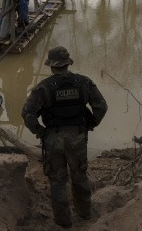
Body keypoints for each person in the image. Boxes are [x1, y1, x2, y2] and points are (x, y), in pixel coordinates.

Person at [21, 46, 108, 228]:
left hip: (53, 139)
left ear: (52, 66)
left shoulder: (43, 88)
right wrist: (90, 124)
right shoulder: (84, 82)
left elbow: (27, 113)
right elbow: (101, 106)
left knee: (58, 181)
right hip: (77, 136)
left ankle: (63, 222)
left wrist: (41, 132)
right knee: (80, 177)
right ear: (68, 63)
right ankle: (85, 215)